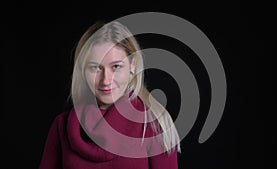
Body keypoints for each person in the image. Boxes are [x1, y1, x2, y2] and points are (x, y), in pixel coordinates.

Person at [38, 20, 181, 169]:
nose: (106, 80)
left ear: (132, 64)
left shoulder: (154, 124)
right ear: (82, 70)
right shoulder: (61, 125)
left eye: (116, 66)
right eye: (95, 68)